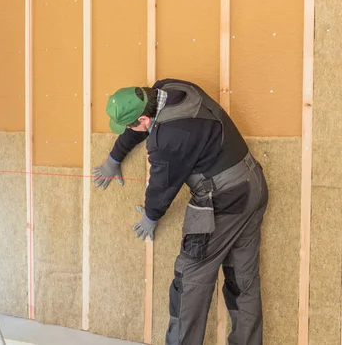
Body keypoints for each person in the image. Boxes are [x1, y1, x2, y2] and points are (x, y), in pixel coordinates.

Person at [92, 78, 269, 345]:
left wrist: (151, 217)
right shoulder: (171, 88)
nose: (129, 130)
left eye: (130, 125)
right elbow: (142, 125)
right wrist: (114, 157)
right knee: (241, 278)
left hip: (224, 200)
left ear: (142, 119)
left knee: (190, 282)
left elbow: (163, 186)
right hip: (252, 184)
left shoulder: (167, 139)